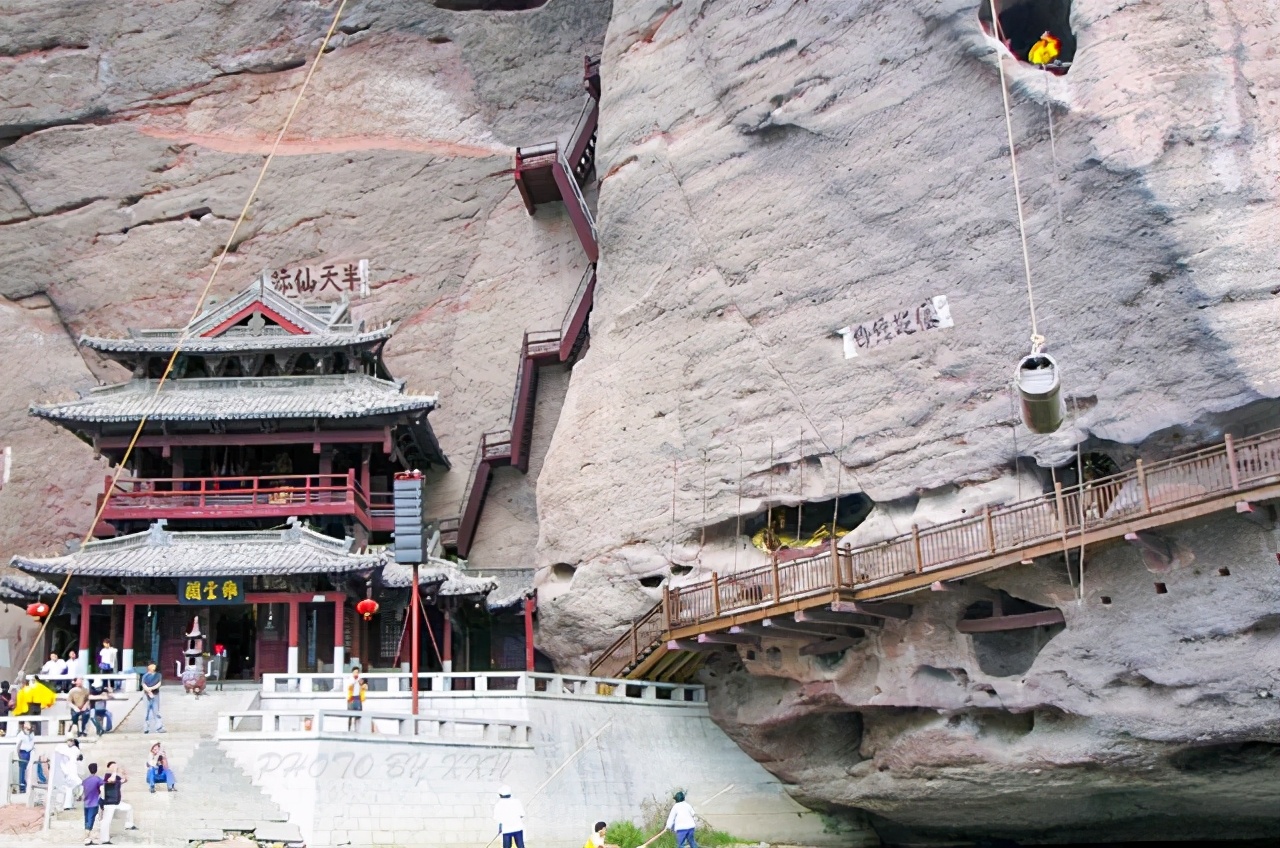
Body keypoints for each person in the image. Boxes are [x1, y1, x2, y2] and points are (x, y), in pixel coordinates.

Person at [98, 761, 138, 844]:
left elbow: (125, 780)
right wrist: (114, 771)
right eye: (113, 766)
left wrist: (125, 773)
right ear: (109, 768)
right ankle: (105, 839)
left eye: (115, 766)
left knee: (129, 808)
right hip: (109, 803)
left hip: (117, 802)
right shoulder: (107, 776)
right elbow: (111, 780)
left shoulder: (117, 778)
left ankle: (128, 824)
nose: (115, 768)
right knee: (106, 821)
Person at [52, 736, 81, 811]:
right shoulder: (63, 749)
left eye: (71, 741)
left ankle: (69, 803)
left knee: (74, 786)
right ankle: (67, 805)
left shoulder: (74, 750)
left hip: (72, 771)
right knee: (68, 789)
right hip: (67, 772)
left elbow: (76, 755)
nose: (70, 742)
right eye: (69, 741)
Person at [82, 763, 104, 845]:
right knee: (91, 820)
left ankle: (88, 838)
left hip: (86, 803)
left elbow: (82, 792)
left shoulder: (85, 781)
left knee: (87, 820)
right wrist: (102, 801)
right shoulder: (98, 780)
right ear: (96, 769)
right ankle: (86, 839)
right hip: (94, 803)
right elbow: (102, 791)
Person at [141, 663, 164, 733]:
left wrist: (151, 689)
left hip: (155, 694)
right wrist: (149, 691)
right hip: (147, 694)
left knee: (156, 711)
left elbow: (159, 684)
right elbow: (143, 684)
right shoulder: (145, 675)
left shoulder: (158, 675)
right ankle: (146, 728)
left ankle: (159, 727)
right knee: (146, 712)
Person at [15, 721, 35, 792]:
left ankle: (27, 785)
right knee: (22, 770)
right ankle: (22, 787)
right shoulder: (20, 734)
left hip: (29, 752)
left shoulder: (31, 734)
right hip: (22, 753)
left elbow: (32, 743)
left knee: (28, 769)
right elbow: (18, 746)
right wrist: (18, 755)